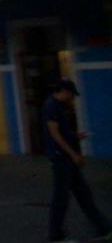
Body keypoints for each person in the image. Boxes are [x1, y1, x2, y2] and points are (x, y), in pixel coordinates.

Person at [43, 78, 111, 243]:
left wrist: (75, 137)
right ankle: (55, 236)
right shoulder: (51, 106)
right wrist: (73, 154)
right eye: (71, 95)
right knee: (61, 198)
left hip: (66, 158)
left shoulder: (57, 106)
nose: (72, 98)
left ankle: (104, 228)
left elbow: (62, 133)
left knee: (83, 194)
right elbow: (54, 134)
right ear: (65, 91)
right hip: (61, 159)